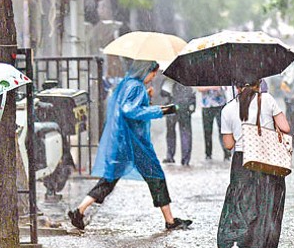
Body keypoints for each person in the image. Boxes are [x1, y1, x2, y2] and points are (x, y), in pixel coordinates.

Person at [67, 60, 192, 231]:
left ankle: (80, 211)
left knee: (110, 179)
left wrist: (146, 98)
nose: (153, 77)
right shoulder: (135, 86)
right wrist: (161, 110)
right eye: (153, 73)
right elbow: (130, 111)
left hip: (123, 140)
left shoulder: (127, 84)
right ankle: (170, 221)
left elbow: (129, 107)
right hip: (134, 142)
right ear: (146, 70)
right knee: (156, 176)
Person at [217, 79, 291, 248]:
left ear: (237, 86)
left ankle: (236, 245)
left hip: (242, 163)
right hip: (267, 162)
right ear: (259, 84)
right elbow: (285, 127)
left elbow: (229, 144)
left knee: (240, 208)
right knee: (268, 213)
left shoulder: (228, 108)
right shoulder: (267, 100)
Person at [161, 78, 196, 166]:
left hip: (171, 107)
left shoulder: (169, 78)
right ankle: (185, 159)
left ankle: (170, 156)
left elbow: (163, 93)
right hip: (186, 107)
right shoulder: (189, 76)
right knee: (186, 133)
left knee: (170, 132)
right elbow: (193, 93)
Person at [197, 86, 231, 161]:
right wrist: (210, 87)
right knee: (207, 131)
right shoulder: (202, 75)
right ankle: (208, 154)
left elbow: (226, 88)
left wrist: (218, 88)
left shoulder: (221, 75)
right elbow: (199, 88)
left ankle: (226, 153)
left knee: (222, 130)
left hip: (220, 104)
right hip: (206, 105)